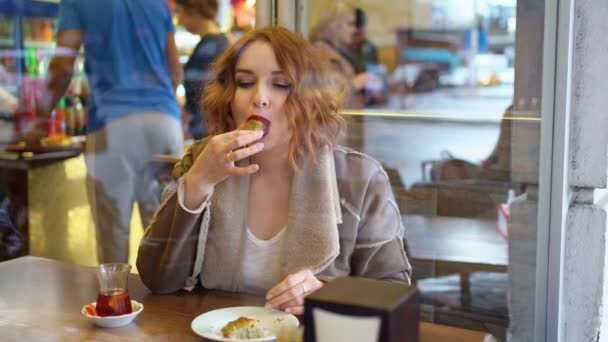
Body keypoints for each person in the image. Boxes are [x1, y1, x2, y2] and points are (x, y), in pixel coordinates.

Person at [137, 26, 411, 315]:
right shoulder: (202, 160)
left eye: (280, 84)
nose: (259, 97)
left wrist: (328, 294)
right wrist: (198, 182)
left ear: (310, 98)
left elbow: (396, 290)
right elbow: (157, 279)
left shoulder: (361, 178)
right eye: (244, 82)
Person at [32, 0, 184, 263]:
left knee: (113, 237)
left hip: (113, 125)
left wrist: (42, 118)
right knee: (165, 235)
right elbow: (175, 70)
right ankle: (170, 303)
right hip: (164, 123)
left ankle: (116, 301)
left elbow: (62, 66)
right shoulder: (158, 3)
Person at [174, 0, 229, 140]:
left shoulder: (210, 46)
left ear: (194, 10)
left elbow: (201, 93)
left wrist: (189, 121)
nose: (179, 19)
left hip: (203, 129)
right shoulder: (218, 42)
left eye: (180, 12)